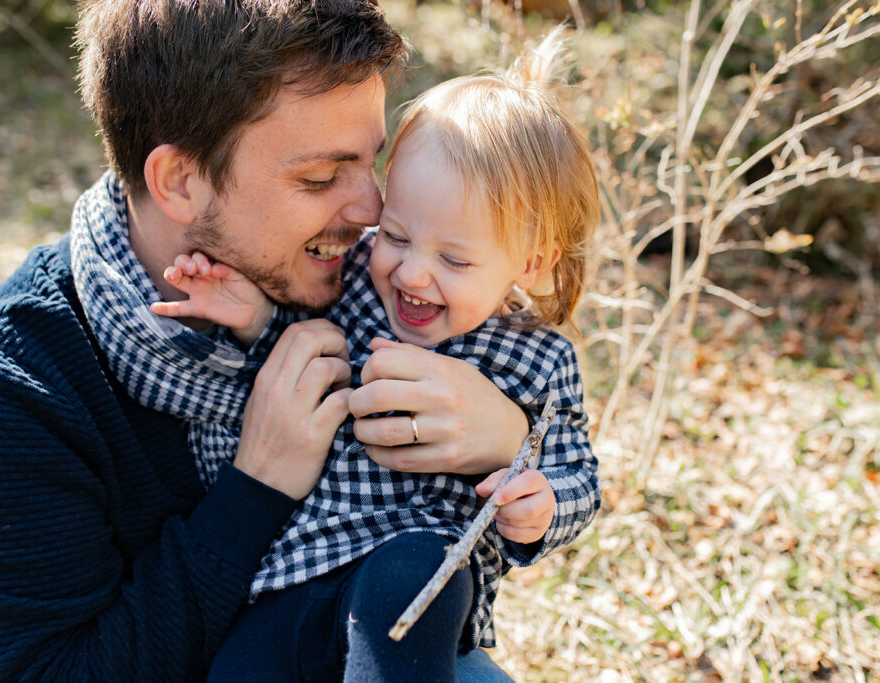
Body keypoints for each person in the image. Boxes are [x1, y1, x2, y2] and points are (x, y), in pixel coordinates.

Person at [0, 1, 539, 680]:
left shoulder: (375, 286)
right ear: (180, 181)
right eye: (321, 177)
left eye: (371, 163)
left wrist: (511, 438)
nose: (371, 210)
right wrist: (257, 488)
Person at [149, 29, 602, 682]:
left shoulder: (538, 361)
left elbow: (578, 475)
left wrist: (543, 506)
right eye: (395, 233)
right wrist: (250, 314)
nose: (412, 273)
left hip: (414, 560)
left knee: (408, 581)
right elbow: (298, 342)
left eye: (452, 258)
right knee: (238, 667)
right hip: (299, 563)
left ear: (529, 264)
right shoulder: (361, 279)